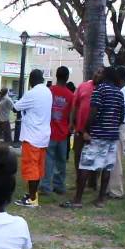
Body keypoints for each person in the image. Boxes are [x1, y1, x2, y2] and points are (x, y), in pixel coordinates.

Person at [61, 66, 124, 209]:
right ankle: (100, 200)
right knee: (107, 167)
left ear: (105, 76)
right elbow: (121, 116)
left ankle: (77, 200)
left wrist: (85, 129)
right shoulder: (119, 93)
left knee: (86, 164)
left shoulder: (99, 90)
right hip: (112, 135)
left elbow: (93, 112)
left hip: (97, 134)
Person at [13, 69, 53, 208]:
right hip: (43, 136)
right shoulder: (48, 92)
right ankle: (32, 195)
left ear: (31, 80)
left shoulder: (32, 93)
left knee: (31, 168)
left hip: (32, 136)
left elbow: (16, 108)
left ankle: (32, 200)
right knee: (38, 167)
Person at [39, 66, 74, 196]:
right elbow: (71, 115)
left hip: (49, 132)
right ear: (67, 78)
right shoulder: (71, 95)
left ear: (56, 76)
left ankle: (45, 186)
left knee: (48, 160)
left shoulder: (49, 91)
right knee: (61, 161)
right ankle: (59, 186)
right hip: (63, 134)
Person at [71, 68, 104, 191]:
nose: (97, 74)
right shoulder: (83, 86)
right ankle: (79, 182)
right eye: (97, 71)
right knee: (78, 156)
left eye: (101, 73)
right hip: (80, 129)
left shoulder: (104, 90)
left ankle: (92, 183)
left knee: (95, 159)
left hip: (96, 131)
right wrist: (72, 123)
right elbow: (75, 105)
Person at [107, 66, 125, 199]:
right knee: (112, 159)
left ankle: (116, 190)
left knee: (116, 160)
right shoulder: (123, 90)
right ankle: (109, 187)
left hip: (120, 127)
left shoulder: (123, 92)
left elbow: (120, 115)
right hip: (118, 127)